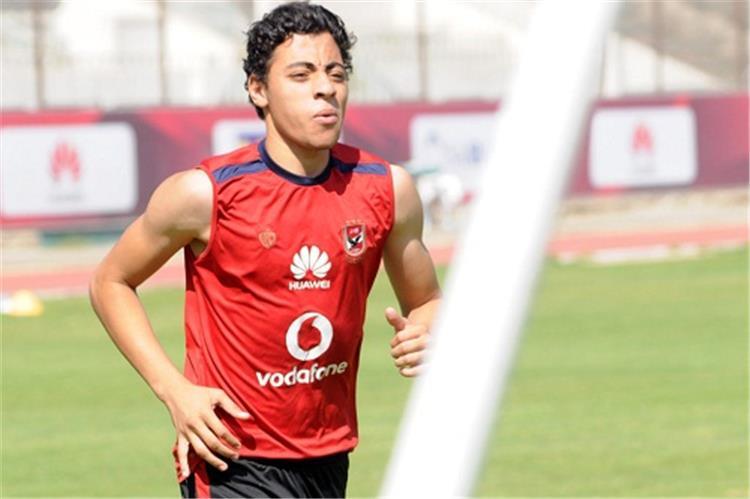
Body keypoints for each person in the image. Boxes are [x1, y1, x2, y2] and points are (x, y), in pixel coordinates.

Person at [89, 2, 441, 498]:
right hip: (231, 457)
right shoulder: (204, 194)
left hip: (328, 455)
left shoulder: (388, 189)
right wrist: (175, 392)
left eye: (336, 73)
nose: (325, 88)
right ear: (258, 89)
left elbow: (426, 300)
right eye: (301, 74)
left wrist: (427, 331)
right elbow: (110, 281)